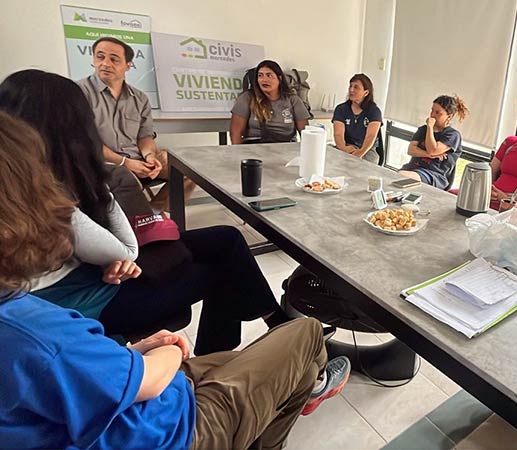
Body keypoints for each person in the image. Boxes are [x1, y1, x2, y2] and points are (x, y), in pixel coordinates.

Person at [0, 110, 349, 449]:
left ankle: (275, 360)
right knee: (307, 333)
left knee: (226, 246)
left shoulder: (25, 317)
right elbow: (125, 253)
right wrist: (167, 351)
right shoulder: (37, 333)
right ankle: (290, 361)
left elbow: (88, 370)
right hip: (169, 426)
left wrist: (136, 351)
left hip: (123, 352)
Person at [0, 69, 293, 356]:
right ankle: (219, 362)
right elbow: (126, 251)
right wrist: (102, 177)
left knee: (227, 238)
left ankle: (276, 325)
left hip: (94, 271)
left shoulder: (23, 178)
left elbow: (145, 139)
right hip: (83, 303)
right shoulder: (41, 194)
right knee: (224, 272)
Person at [76, 36, 194, 213]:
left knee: (187, 167)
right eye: (100, 57)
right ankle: (140, 218)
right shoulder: (78, 92)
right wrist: (126, 163)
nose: (105, 63)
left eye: (114, 59)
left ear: (128, 65)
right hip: (101, 162)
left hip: (136, 158)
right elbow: (85, 143)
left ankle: (153, 213)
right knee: (126, 178)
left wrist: (149, 157)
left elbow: (144, 136)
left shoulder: (139, 98)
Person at [398, 94, 469, 190]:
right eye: (432, 110)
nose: (432, 115)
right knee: (394, 177)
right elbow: (411, 150)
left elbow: (433, 149)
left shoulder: (453, 135)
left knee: (402, 176)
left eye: (437, 112)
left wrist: (430, 127)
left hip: (434, 175)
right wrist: (428, 155)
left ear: (449, 116)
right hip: (412, 168)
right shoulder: (423, 129)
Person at [230, 60, 310, 144]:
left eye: (269, 75)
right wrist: (239, 155)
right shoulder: (247, 98)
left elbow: (306, 134)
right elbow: (235, 133)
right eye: (260, 75)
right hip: (254, 147)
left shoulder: (293, 100)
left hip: (286, 146)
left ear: (279, 78)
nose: (264, 80)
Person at [332, 73, 383, 164]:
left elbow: (371, 136)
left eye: (356, 87)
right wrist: (344, 148)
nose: (351, 90)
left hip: (367, 150)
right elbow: (338, 134)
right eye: (350, 86)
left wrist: (359, 153)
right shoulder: (341, 109)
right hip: (345, 147)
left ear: (366, 92)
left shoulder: (374, 111)